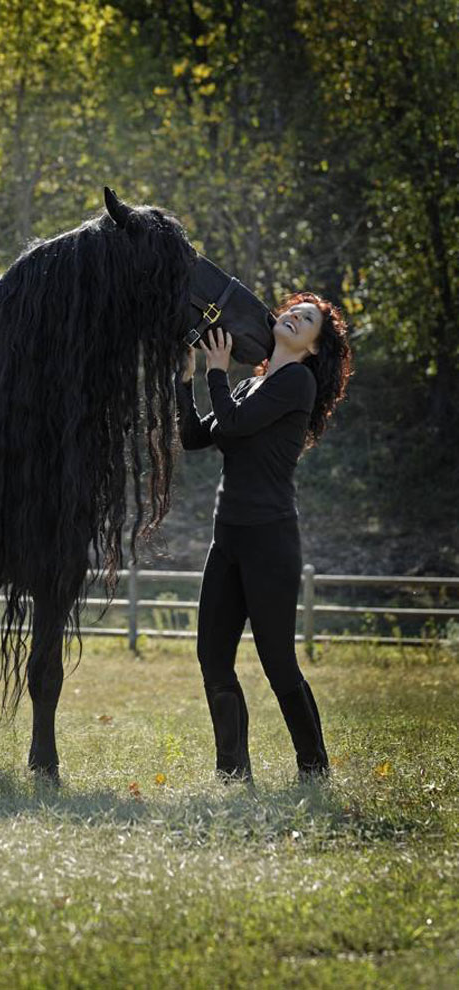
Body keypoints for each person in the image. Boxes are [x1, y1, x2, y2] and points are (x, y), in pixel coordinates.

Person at [174, 291, 352, 783]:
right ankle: (233, 773)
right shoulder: (253, 387)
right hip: (227, 538)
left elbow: (230, 425)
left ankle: (314, 770)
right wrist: (188, 380)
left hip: (270, 541)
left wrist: (216, 368)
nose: (294, 316)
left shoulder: (295, 382)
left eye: (308, 319)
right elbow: (195, 437)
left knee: (277, 662)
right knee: (212, 657)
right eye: (293, 310)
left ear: (314, 347)